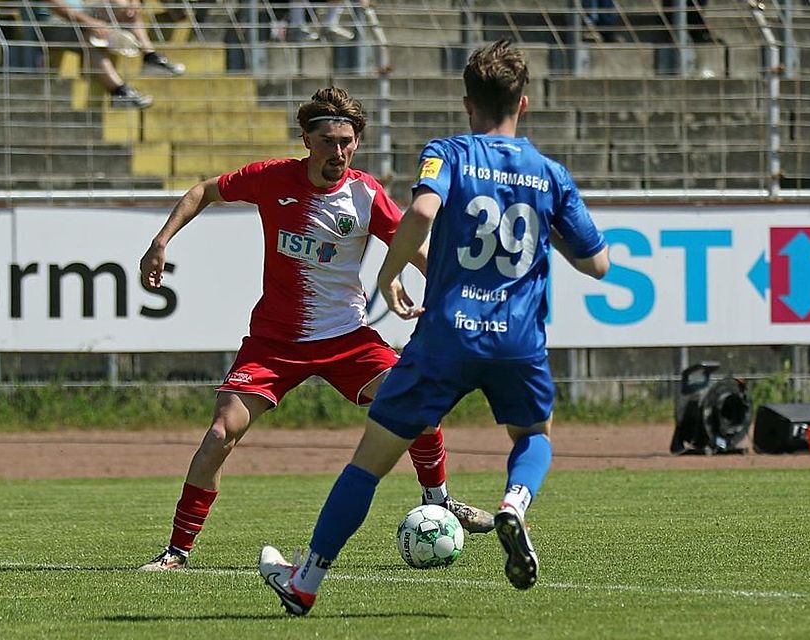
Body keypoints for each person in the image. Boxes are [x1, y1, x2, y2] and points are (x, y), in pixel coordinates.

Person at [258, 40, 610, 616]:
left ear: (468, 102)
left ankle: (307, 580)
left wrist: (391, 276)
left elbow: (421, 213)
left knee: (368, 463)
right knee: (533, 436)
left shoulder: (446, 152)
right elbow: (598, 264)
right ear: (523, 103)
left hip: (447, 333)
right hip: (518, 339)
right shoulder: (551, 174)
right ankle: (515, 505)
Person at [137, 87, 494, 572]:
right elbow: (203, 191)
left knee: (417, 398)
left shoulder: (366, 194)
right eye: (328, 141)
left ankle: (440, 499)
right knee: (221, 432)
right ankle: (176, 552)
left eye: (347, 141)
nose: (339, 152)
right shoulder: (271, 178)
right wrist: (160, 242)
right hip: (275, 342)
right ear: (306, 139)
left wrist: (456, 299)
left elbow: (415, 249)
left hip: (347, 338)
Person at [38, 1, 187, 109]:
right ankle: (119, 91)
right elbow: (58, 7)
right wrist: (91, 23)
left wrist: (133, 3)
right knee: (92, 36)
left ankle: (150, 57)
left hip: (81, 15)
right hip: (51, 23)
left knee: (122, 5)